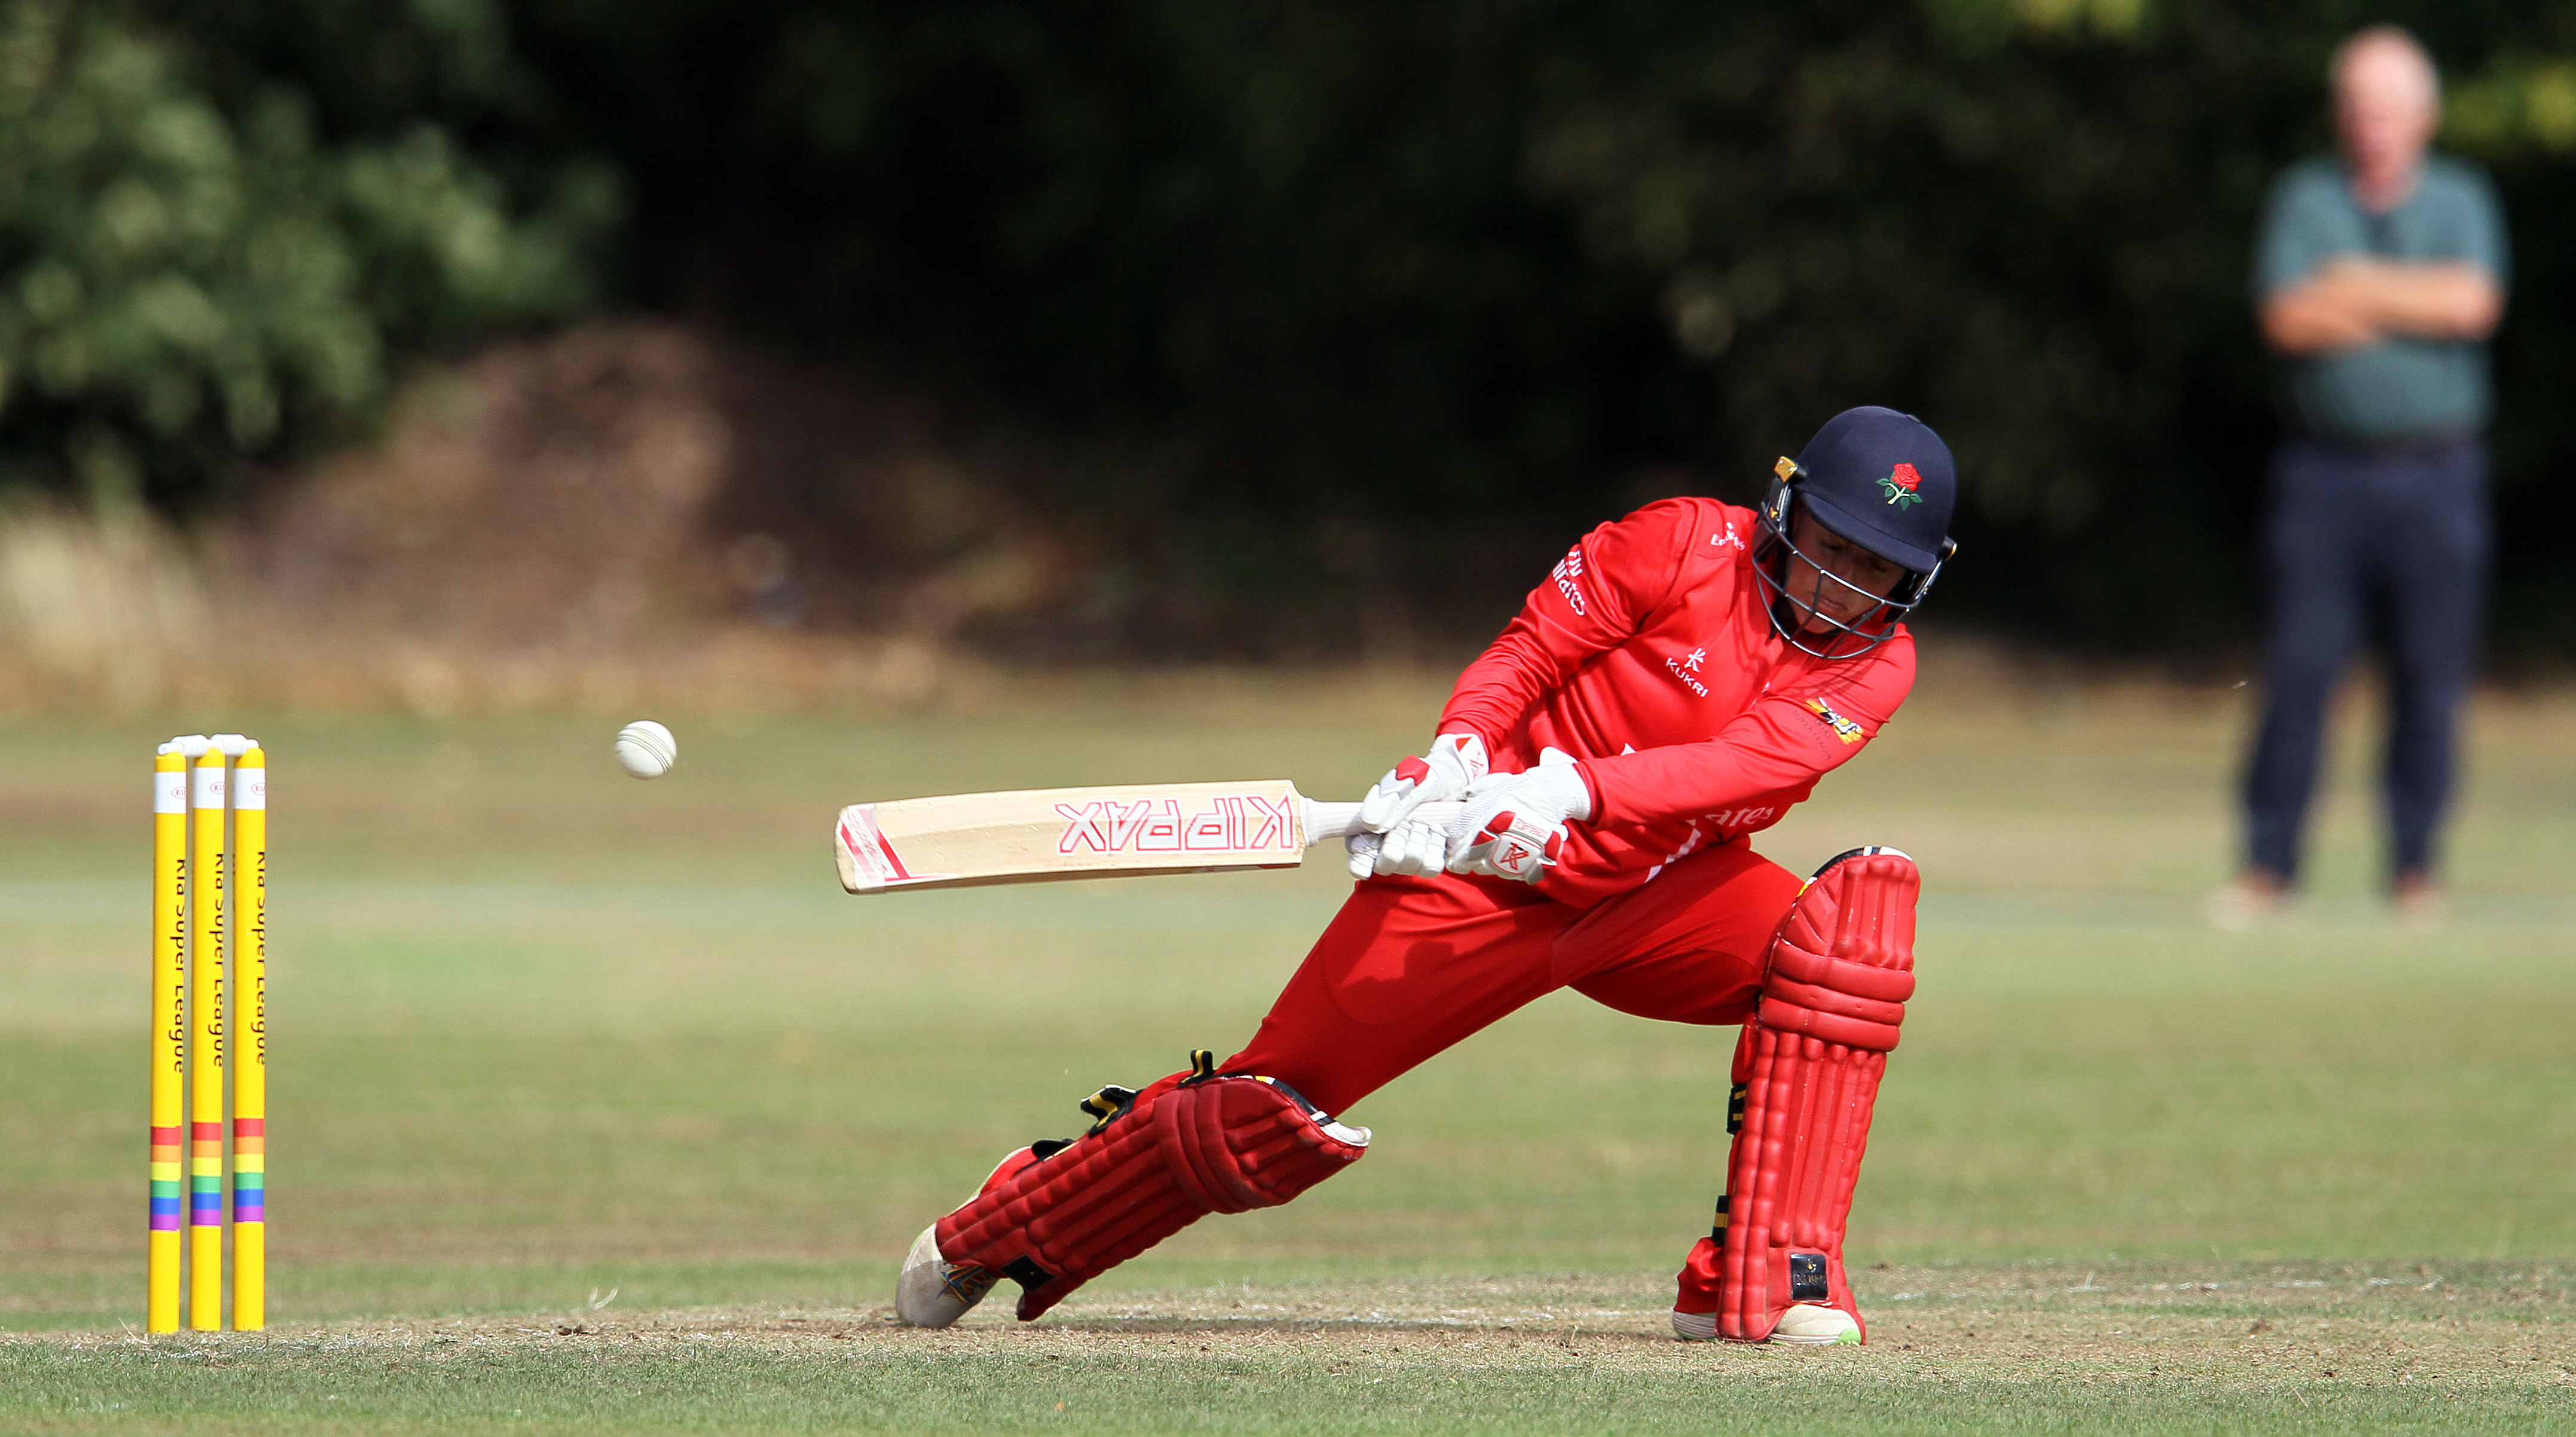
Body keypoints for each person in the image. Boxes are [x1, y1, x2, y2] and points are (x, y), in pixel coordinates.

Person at [894, 406, 1958, 1345]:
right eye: (1831, 547)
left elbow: (1742, 764)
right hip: (1479, 883)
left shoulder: (1879, 666)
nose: (1842, 587)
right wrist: (1458, 755)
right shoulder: (1679, 542)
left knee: (1834, 948)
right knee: (1265, 1112)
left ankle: (1766, 1276)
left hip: (1657, 899)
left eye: (1876, 570)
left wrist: (1563, 792)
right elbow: (1528, 652)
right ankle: (1015, 1217)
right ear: (1785, 510)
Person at [2221, 26, 2508, 928]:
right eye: (2359, 108)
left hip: (2439, 470)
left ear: (2425, 116)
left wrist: (2350, 284)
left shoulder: (2462, 197)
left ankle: (2415, 868)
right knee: (2300, 670)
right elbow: (2286, 318)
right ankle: (2269, 866)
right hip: (2324, 472)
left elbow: (2473, 303)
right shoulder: (2305, 197)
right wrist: (2413, 298)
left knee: (2430, 676)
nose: (2373, 125)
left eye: (2389, 109)